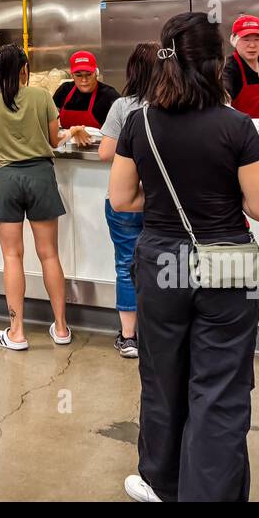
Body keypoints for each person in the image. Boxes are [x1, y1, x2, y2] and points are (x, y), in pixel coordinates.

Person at [110, 11, 259, 502]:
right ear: (215, 64)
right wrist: (223, 198)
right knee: (220, 388)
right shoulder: (237, 126)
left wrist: (162, 203)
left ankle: (162, 482)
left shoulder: (139, 122)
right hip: (225, 265)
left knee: (163, 378)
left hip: (161, 262)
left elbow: (121, 198)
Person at [0, 43, 69, 350]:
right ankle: (62, 328)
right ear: (25, 70)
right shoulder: (42, 97)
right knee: (49, 254)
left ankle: (17, 332)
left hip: (5, 179)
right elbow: (54, 140)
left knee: (12, 256)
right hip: (41, 176)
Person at [98, 43, 159, 357]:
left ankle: (129, 337)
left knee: (126, 265)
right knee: (162, 263)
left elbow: (106, 152)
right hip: (159, 200)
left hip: (123, 200)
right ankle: (157, 333)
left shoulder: (123, 106)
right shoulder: (171, 104)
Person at [53, 50, 121, 148]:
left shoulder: (108, 95)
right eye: (79, 75)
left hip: (99, 154)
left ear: (96, 73)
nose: (84, 80)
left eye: (88, 74)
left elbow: (123, 130)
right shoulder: (65, 90)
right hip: (66, 153)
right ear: (72, 75)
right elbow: (49, 121)